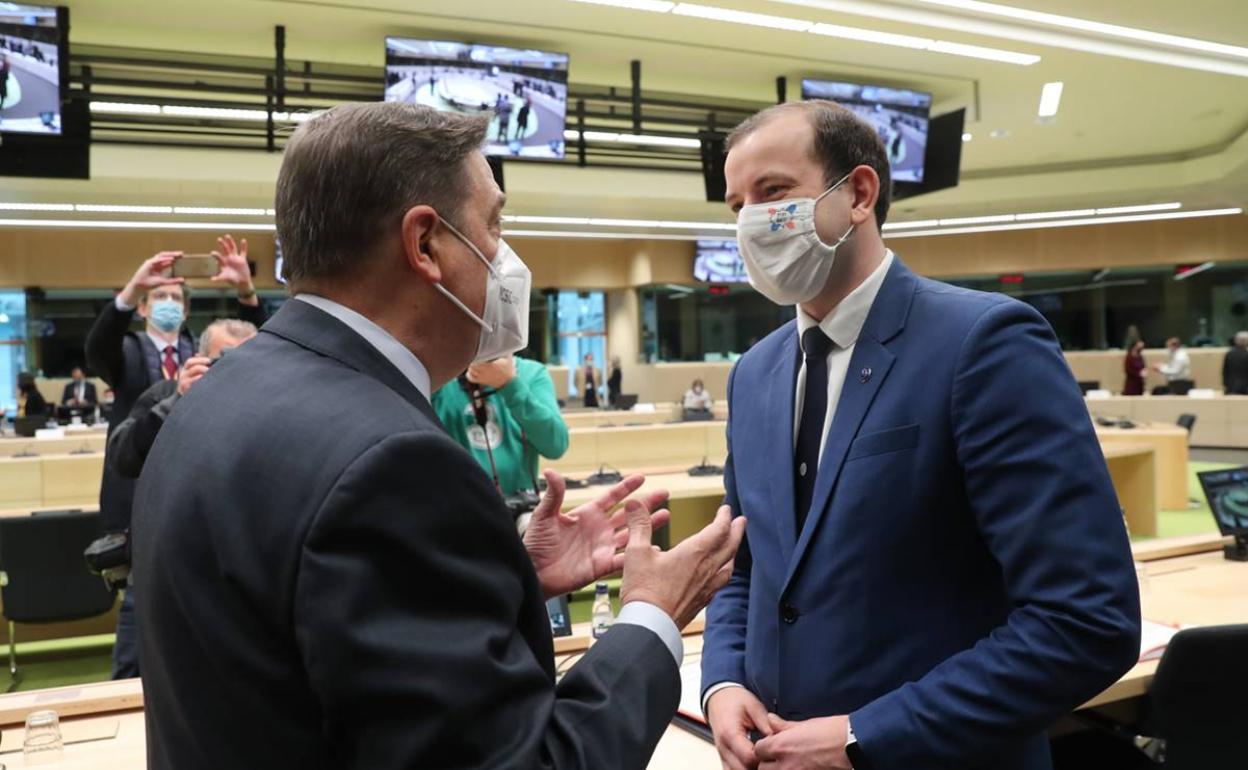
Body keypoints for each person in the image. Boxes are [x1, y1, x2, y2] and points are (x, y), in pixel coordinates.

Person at [132, 102, 745, 770]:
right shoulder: (392, 464)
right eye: (494, 222)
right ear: (425, 244)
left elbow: (310, 627)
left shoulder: (219, 391)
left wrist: (501, 578)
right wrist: (651, 616)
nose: (505, 254)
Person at [701, 100, 1140, 770]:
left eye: (773, 192)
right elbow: (746, 565)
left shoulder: (984, 343)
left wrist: (864, 737)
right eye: (736, 205)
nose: (751, 222)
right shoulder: (755, 375)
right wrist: (724, 683)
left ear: (859, 194)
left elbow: (1085, 621)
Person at [84, 234, 265, 680]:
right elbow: (99, 351)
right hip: (145, 516)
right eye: (157, 296)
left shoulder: (204, 353)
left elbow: (261, 348)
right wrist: (133, 288)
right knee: (138, 653)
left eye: (175, 297)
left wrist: (246, 292)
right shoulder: (134, 359)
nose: (167, 303)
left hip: (219, 534)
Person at [107, 319, 257, 480]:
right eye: (225, 362)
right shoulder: (165, 394)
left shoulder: (270, 405)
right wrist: (178, 402)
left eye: (248, 363)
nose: (237, 372)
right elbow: (122, 458)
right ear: (200, 360)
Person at [432, 353, 568, 498]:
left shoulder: (531, 373)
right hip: (457, 506)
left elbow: (556, 446)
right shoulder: (440, 374)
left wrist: (509, 385)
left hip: (519, 504)